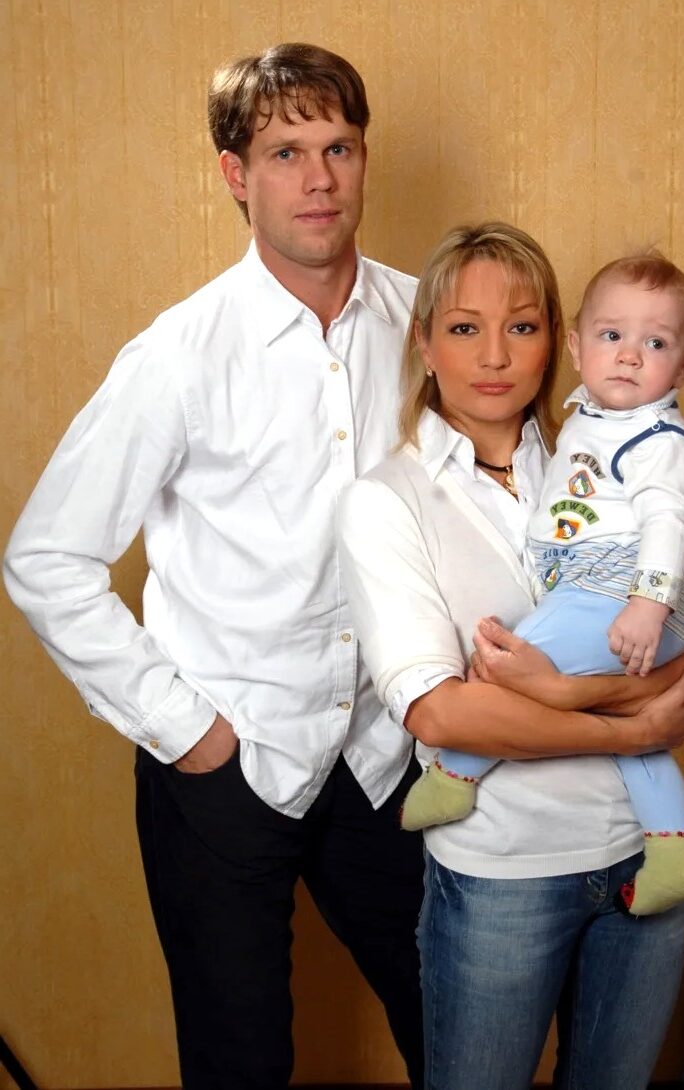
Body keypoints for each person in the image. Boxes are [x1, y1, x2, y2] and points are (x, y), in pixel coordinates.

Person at [3, 44, 425, 1090]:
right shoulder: (179, 355)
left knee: (462, 1021)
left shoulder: (431, 324)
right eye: (286, 153)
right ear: (236, 174)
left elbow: (527, 496)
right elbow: (46, 557)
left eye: (338, 148)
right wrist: (188, 732)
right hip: (229, 759)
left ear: (364, 159)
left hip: (386, 753)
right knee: (238, 1062)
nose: (318, 179)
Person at [337, 222, 684, 1090]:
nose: (494, 355)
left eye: (520, 326)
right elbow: (441, 713)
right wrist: (634, 726)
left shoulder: (611, 455)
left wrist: (555, 693)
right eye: (463, 327)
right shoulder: (385, 500)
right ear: (424, 343)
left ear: (559, 339)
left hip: (640, 858)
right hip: (502, 877)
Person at [401, 252, 684, 917]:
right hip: (598, 594)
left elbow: (670, 524)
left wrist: (647, 603)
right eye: (611, 336)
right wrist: (601, 697)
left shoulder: (655, 439)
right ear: (576, 346)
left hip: (614, 592)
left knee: (510, 658)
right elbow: (431, 708)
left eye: (655, 344)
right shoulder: (591, 422)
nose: (628, 356)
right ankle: (672, 847)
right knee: (636, 728)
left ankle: (454, 772)